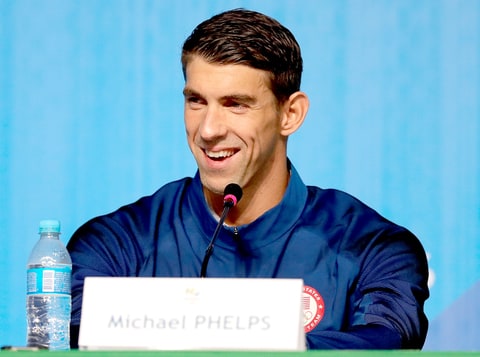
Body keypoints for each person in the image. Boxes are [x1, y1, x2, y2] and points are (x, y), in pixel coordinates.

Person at [67, 8, 429, 349]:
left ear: (290, 114)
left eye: (235, 104)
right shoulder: (113, 247)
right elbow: (75, 341)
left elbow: (389, 341)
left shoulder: (372, 248)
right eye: (196, 101)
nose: (208, 130)